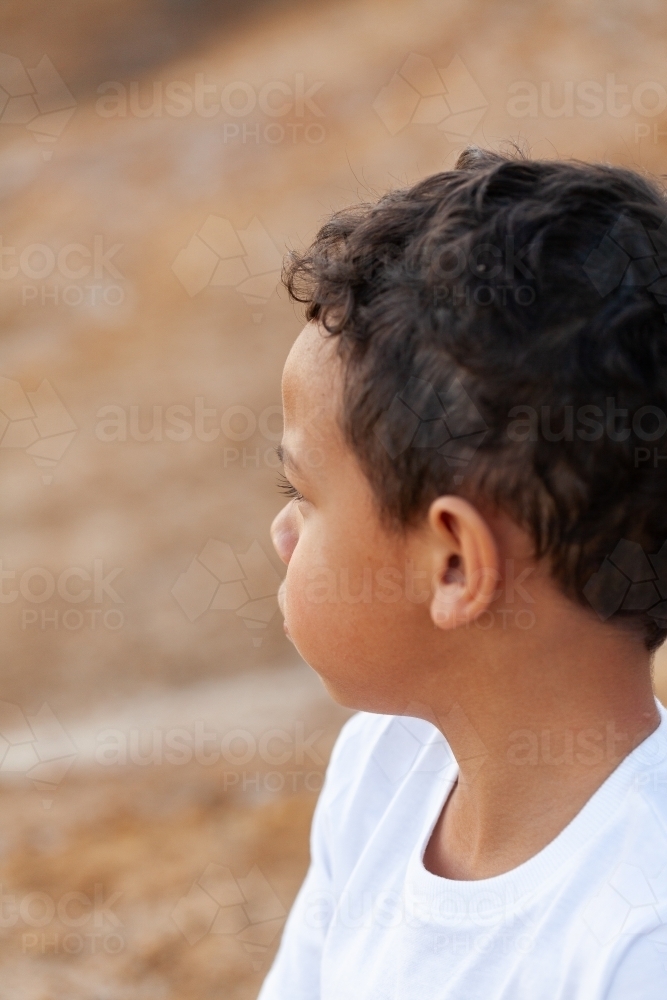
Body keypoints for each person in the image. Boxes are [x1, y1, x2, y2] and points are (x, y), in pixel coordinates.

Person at [258, 146, 667, 999]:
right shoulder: (386, 765)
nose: (281, 532)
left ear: (454, 565)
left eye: (304, 493)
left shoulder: (637, 940)